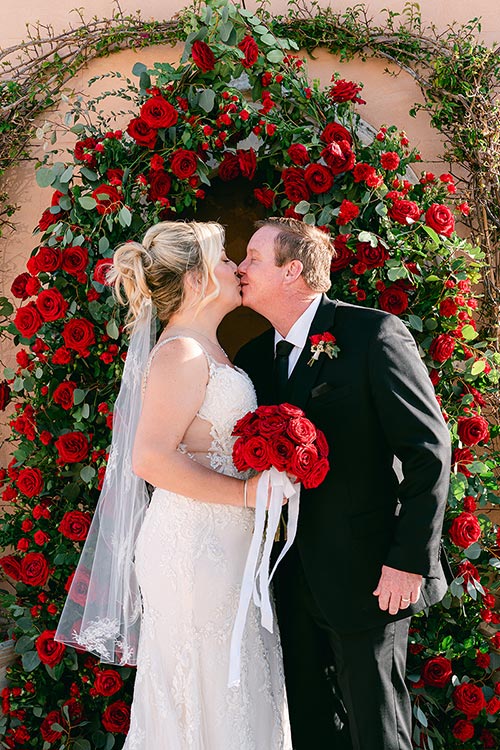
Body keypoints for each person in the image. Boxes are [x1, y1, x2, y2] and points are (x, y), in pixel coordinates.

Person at [55, 221, 291, 749]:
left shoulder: (209, 350)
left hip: (228, 546)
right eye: (226, 260)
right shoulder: (181, 353)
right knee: (203, 681)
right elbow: (151, 458)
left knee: (238, 677)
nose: (236, 268)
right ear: (197, 279)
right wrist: (247, 494)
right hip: (193, 548)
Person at [235, 217, 452, 750]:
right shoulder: (253, 359)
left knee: (377, 727)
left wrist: (408, 560)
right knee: (309, 727)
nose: (240, 269)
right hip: (284, 579)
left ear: (292, 271)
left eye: (253, 259)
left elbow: (429, 452)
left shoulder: (371, 334)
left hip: (369, 576)